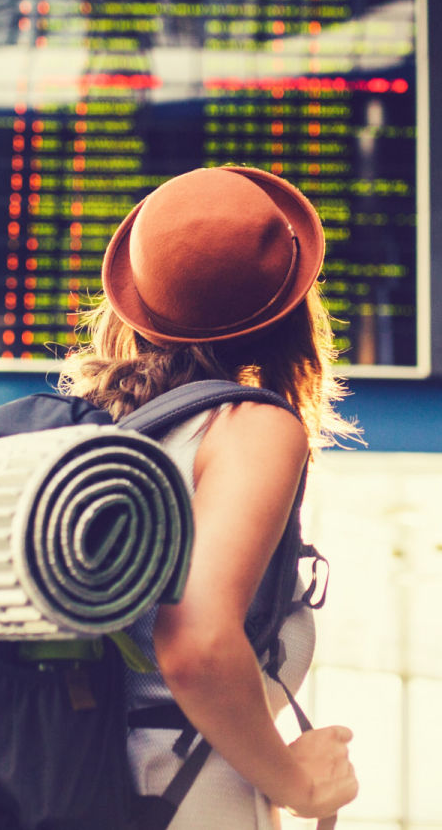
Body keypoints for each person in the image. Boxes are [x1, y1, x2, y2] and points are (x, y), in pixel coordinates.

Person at [59, 166, 361, 828]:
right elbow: (195, 645)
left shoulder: (100, 436)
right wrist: (296, 781)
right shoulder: (250, 427)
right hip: (178, 802)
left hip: (88, 790)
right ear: (291, 312)